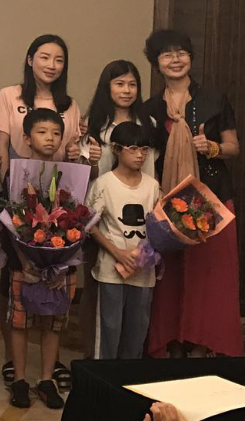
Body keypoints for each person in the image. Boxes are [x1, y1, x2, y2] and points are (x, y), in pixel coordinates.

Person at [142, 29, 242, 358]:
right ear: (156, 62)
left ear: (191, 57)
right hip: (170, 199)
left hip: (211, 198)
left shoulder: (213, 98)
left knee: (209, 277)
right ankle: (172, 343)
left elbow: (233, 147)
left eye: (181, 52)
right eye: (167, 54)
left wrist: (211, 147)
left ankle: (202, 345)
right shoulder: (150, 108)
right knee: (170, 276)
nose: (175, 59)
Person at [0, 34, 81, 389]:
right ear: (30, 60)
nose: (51, 65)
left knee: (54, 278)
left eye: (59, 59)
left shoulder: (70, 105)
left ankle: (48, 366)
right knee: (14, 280)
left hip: (59, 193)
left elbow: (72, 150)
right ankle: (13, 363)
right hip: (18, 191)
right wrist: (10, 191)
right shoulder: (9, 96)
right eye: (44, 57)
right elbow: (1, 146)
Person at [78, 59, 154, 357]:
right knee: (101, 297)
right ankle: (95, 358)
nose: (126, 90)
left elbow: (151, 171)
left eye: (132, 84)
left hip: (141, 212)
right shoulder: (93, 123)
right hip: (102, 214)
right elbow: (84, 172)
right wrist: (92, 160)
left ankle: (128, 363)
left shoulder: (148, 123)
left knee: (137, 309)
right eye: (119, 83)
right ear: (107, 87)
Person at [6, 108, 72, 410]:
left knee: (52, 322)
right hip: (24, 263)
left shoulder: (69, 173)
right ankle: (19, 379)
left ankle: (46, 379)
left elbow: (76, 220)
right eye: (42, 132)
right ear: (27, 137)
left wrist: (63, 263)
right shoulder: (16, 172)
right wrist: (24, 259)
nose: (50, 138)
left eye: (56, 133)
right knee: (21, 322)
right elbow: (10, 220)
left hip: (59, 262)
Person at [87, 122, 161, 359]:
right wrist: (117, 252)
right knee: (109, 329)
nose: (140, 155)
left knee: (137, 332)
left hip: (143, 270)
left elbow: (160, 226)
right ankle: (104, 377)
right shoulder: (104, 184)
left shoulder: (152, 186)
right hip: (111, 269)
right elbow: (89, 224)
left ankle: (128, 377)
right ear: (117, 149)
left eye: (144, 150)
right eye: (133, 149)